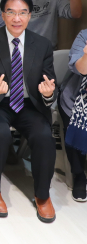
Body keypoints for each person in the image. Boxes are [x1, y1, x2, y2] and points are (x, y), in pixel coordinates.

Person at [0, 0, 58, 223]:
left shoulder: (42, 44)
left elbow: (50, 82)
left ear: (30, 16)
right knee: (0, 135)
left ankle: (43, 196)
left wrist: (48, 94)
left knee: (44, 136)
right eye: (11, 12)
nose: (17, 18)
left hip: (30, 104)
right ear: (3, 15)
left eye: (22, 13)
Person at [58, 29, 87, 202]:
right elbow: (80, 68)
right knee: (74, 122)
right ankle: (79, 174)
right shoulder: (84, 35)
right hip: (76, 97)